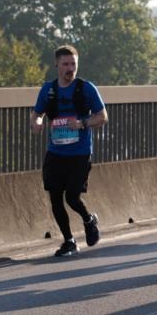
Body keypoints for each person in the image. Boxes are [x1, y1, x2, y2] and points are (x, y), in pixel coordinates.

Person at [31, 45, 108, 257]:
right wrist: (37, 123)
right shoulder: (49, 90)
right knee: (55, 198)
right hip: (56, 153)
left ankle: (88, 219)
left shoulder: (86, 88)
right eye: (65, 64)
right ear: (57, 64)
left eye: (73, 64)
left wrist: (83, 123)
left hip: (80, 153)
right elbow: (37, 113)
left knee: (72, 197)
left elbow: (102, 117)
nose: (70, 68)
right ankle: (69, 241)